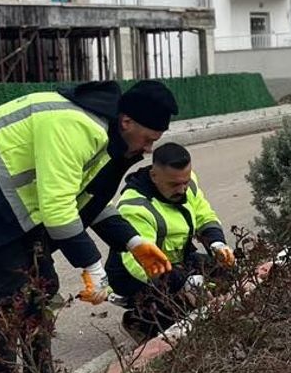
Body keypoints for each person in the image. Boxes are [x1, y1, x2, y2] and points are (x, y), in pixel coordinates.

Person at [0, 80, 178, 373]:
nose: (150, 149)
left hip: (6, 199)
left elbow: (86, 198)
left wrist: (132, 241)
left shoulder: (106, 133)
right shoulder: (77, 126)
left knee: (42, 287)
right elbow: (57, 208)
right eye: (150, 139)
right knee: (13, 294)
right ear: (127, 122)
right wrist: (92, 266)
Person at [92, 142, 236, 339]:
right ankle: (139, 321)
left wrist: (216, 243)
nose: (182, 189)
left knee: (229, 276)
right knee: (178, 312)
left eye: (185, 182)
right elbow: (141, 264)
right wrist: (184, 283)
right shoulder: (135, 207)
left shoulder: (185, 183)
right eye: (174, 185)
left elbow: (204, 215)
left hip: (178, 260)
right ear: (154, 176)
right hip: (135, 273)